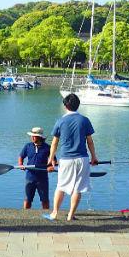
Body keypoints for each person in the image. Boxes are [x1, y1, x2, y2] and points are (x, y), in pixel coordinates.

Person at [44, 93, 98, 221]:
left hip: (66, 159)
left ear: (65, 106)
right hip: (82, 159)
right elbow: (90, 141)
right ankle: (70, 215)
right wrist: (94, 157)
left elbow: (54, 142)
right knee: (77, 188)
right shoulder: (85, 120)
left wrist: (51, 158)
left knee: (61, 186)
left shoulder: (60, 121)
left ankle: (54, 213)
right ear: (78, 105)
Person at [18, 127, 55, 210]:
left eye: (34, 136)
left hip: (42, 178)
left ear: (40, 137)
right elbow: (21, 156)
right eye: (32, 136)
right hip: (30, 177)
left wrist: (51, 167)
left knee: (44, 200)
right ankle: (25, 216)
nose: (32, 137)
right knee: (28, 199)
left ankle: (46, 215)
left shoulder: (47, 147)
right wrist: (21, 164)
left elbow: (53, 160)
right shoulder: (27, 146)